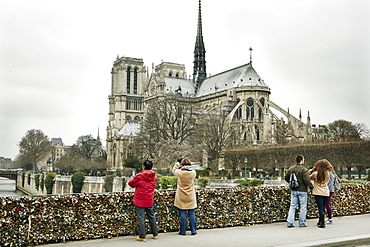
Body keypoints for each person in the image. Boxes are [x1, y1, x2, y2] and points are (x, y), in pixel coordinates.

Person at [128, 160, 159, 242]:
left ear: (143, 167)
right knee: (151, 217)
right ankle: (155, 234)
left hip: (140, 199)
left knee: (141, 218)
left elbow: (131, 184)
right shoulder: (154, 177)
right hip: (149, 199)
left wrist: (131, 178)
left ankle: (142, 236)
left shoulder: (139, 176)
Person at [284, 155, 314, 228]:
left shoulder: (291, 169)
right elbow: (307, 180)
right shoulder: (304, 170)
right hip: (302, 190)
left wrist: (291, 183)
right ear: (301, 160)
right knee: (303, 207)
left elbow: (286, 177)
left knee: (292, 206)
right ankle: (302, 223)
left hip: (294, 190)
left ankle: (290, 222)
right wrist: (311, 187)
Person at [172, 158, 197, 235]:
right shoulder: (193, 172)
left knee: (182, 212)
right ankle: (193, 230)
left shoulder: (180, 172)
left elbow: (174, 170)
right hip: (190, 195)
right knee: (191, 213)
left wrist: (176, 164)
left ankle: (183, 231)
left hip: (181, 194)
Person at [309, 159, 330, 228]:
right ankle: (320, 221)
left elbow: (308, 177)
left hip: (318, 192)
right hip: (326, 192)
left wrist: (311, 170)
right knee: (323, 207)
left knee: (320, 208)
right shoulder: (327, 173)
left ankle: (322, 223)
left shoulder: (315, 173)